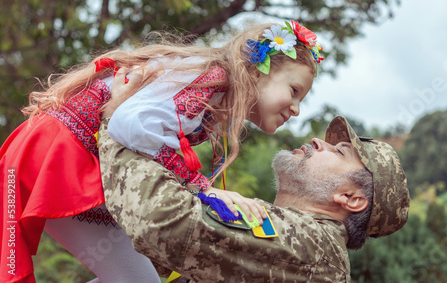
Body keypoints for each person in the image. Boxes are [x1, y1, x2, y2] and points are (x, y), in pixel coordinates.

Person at [0, 21, 323, 282]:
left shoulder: (212, 87)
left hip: (64, 152)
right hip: (61, 156)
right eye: (294, 91)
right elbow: (129, 125)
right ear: (258, 71)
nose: (295, 109)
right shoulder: (210, 80)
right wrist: (200, 187)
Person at [99, 115, 411, 282]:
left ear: (350, 198)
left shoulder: (314, 246)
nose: (318, 141)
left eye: (340, 151)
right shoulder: (302, 241)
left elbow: (161, 220)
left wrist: (119, 125)